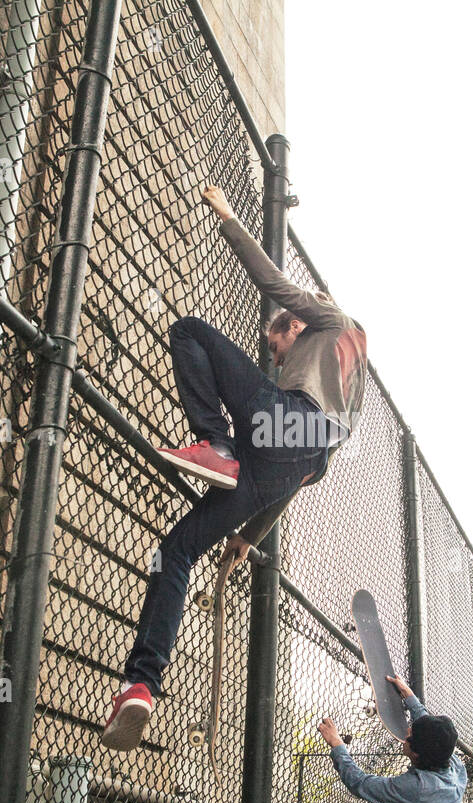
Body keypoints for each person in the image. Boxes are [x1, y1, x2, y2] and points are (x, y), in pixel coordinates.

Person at [101, 184, 368, 751]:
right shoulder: (352, 388)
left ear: (292, 328)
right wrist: (249, 535)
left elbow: (275, 284)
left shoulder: (329, 320)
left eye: (277, 351)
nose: (276, 362)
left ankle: (214, 443)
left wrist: (227, 219)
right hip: (285, 467)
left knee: (190, 332)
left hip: (289, 430)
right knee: (176, 550)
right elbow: (301, 476)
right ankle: (141, 685)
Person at [317, 675, 467, 803]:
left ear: (416, 752)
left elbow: (360, 783)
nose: (406, 731)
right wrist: (410, 697)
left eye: (410, 734)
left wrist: (336, 743)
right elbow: (431, 733)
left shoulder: (418, 788)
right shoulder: (454, 766)